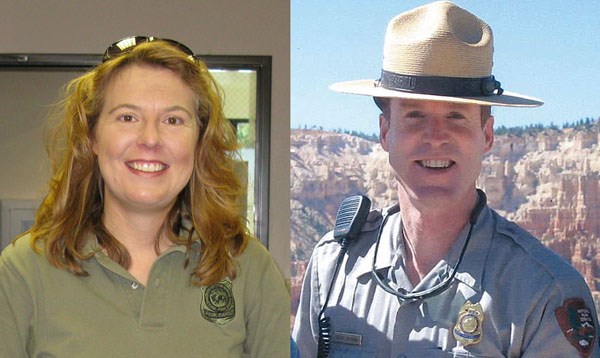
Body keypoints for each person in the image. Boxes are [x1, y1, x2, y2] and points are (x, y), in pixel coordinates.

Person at [292, 2, 599, 357]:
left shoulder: (542, 293)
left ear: (486, 135)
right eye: (414, 115)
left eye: (456, 116)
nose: (435, 137)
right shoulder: (333, 269)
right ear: (385, 131)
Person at [0, 36, 290, 357]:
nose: (150, 138)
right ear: (93, 137)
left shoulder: (250, 270)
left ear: (198, 144)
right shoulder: (23, 271)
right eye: (128, 117)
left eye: (173, 120)